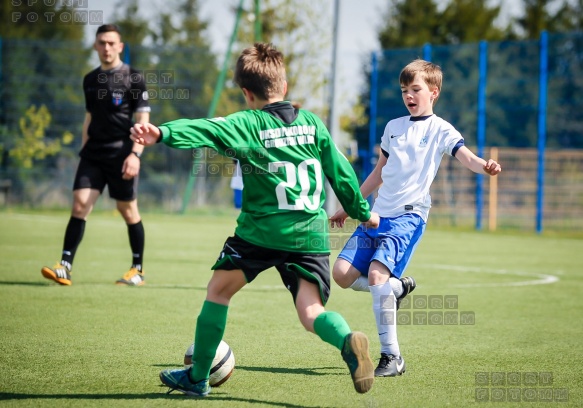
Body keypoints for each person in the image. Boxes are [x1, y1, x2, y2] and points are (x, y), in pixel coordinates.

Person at [130, 42, 380, 397]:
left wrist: (161, 133)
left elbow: (204, 129)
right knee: (311, 312)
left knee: (218, 291)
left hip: (261, 233)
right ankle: (346, 341)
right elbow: (340, 173)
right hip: (309, 234)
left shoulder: (246, 123)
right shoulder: (312, 123)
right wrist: (362, 212)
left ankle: (197, 377)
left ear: (246, 93)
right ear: (285, 86)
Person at [330, 59, 502, 378]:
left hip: (409, 217)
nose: (409, 95)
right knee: (340, 274)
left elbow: (465, 156)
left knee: (378, 276)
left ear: (433, 92)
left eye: (416, 89)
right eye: (404, 90)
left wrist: (485, 166)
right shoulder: (393, 127)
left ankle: (392, 357)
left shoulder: (441, 129)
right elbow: (380, 172)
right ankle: (394, 290)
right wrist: (351, 204)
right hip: (377, 215)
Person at [41, 24, 150, 286]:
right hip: (92, 155)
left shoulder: (133, 78)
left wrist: (135, 154)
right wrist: (84, 150)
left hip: (122, 153)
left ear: (120, 47)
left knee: (127, 210)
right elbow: (88, 119)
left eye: (111, 43)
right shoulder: (89, 79)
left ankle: (137, 270)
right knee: (79, 204)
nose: (106, 47)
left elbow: (143, 120)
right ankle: (65, 266)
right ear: (95, 46)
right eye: (102, 42)